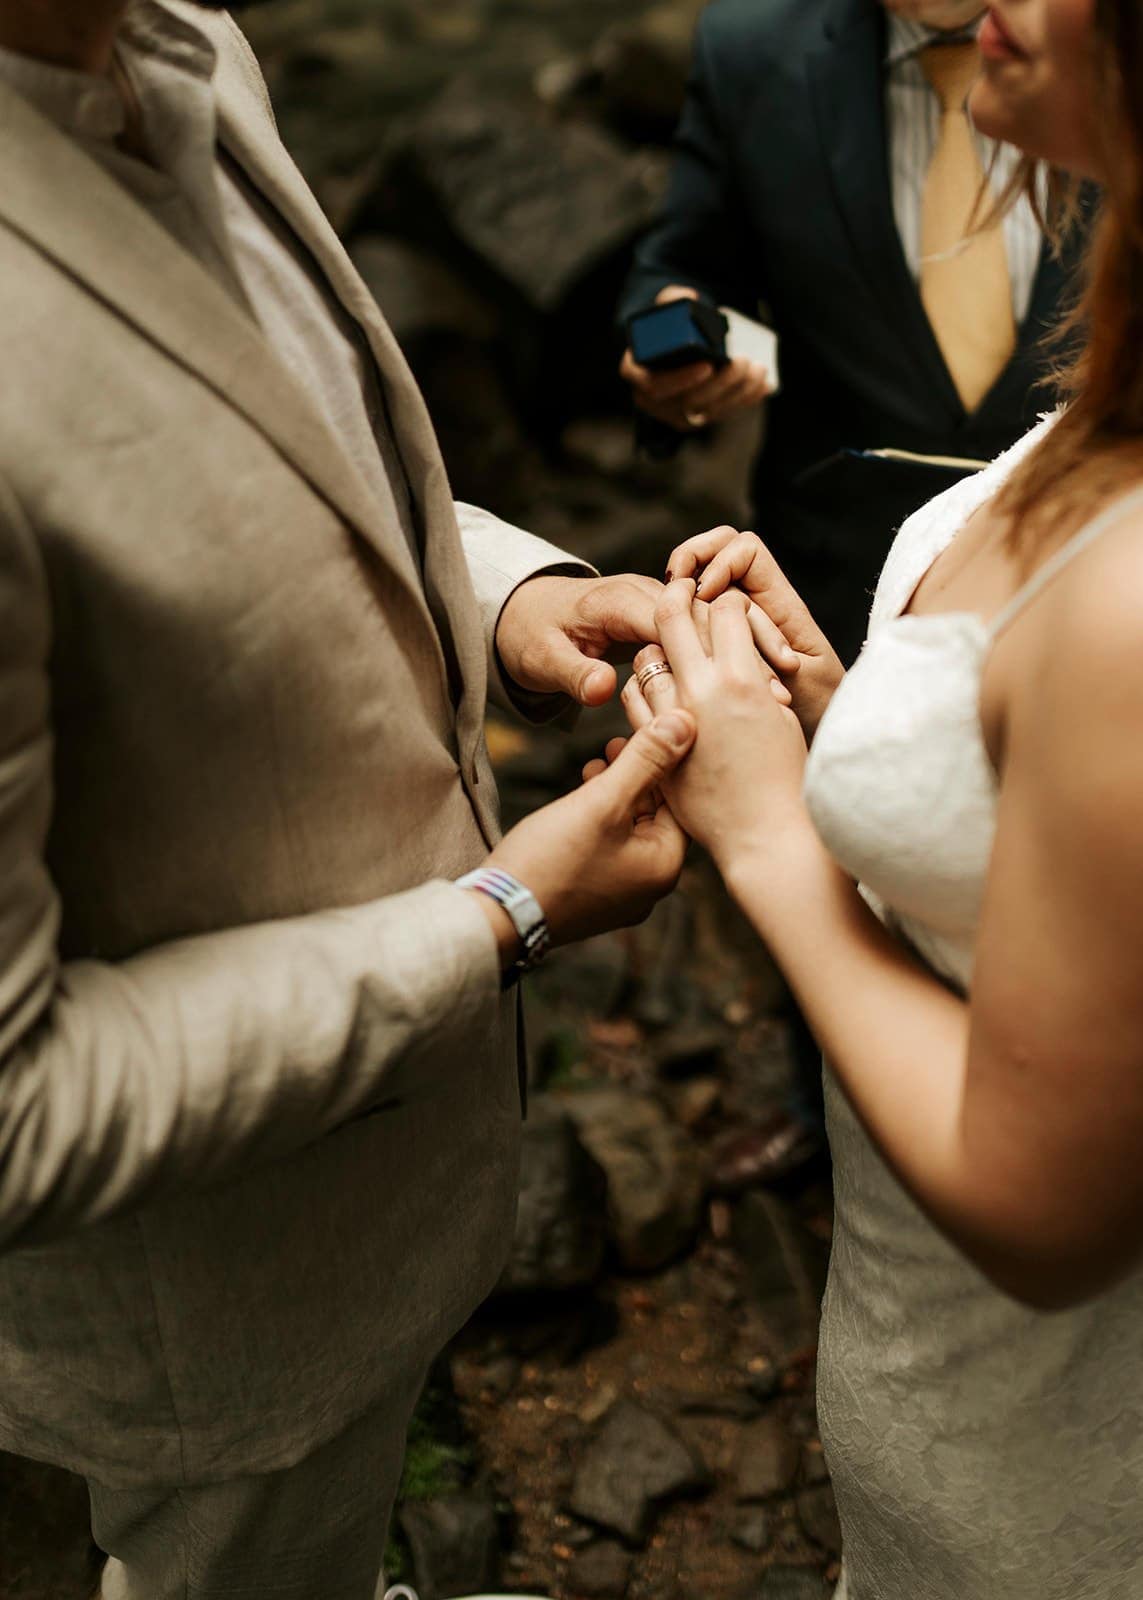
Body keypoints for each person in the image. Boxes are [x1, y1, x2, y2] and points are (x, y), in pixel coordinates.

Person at [0, 2, 701, 1595]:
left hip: (373, 1200)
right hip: (202, 1303)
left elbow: (299, 459)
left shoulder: (185, 37)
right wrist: (503, 915)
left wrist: (511, 598)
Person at [597, 0, 1143, 1593]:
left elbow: (1045, 1213)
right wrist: (853, 720)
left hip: (1060, 1479)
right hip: (922, 1420)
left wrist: (771, 825)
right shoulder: (1102, 409)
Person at [618, 0, 1086, 1184]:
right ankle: (832, 1111)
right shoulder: (754, 50)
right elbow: (684, 263)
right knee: (862, 827)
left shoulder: (1079, 47)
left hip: (1087, 558)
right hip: (836, 563)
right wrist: (674, 354)